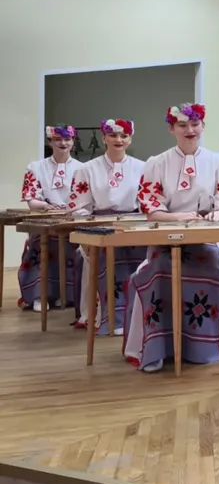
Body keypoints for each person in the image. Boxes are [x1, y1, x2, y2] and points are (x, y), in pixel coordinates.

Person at [124, 103, 219, 373]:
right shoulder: (157, 163)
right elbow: (150, 207)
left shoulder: (218, 162)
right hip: (165, 240)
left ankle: (206, 345)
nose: (190, 130)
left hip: (206, 239)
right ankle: (156, 348)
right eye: (182, 125)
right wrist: (177, 217)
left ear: (203, 126)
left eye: (195, 124)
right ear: (171, 129)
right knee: (155, 274)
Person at [69, 118, 145, 335]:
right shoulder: (86, 169)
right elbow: (79, 207)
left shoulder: (143, 167)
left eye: (124, 136)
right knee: (102, 255)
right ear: (104, 138)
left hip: (134, 226)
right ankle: (110, 317)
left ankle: (138, 317)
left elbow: (147, 203)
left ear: (130, 139)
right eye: (113, 135)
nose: (118, 140)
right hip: (99, 226)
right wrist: (87, 233)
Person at [18, 125, 84, 312]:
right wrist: (46, 206)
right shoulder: (35, 167)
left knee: (73, 248)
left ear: (73, 142)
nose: (63, 143)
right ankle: (40, 295)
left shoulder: (82, 168)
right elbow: (31, 200)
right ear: (50, 142)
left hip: (71, 221)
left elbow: (85, 198)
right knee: (39, 245)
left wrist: (71, 209)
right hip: (44, 220)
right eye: (57, 140)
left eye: (67, 139)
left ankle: (67, 295)